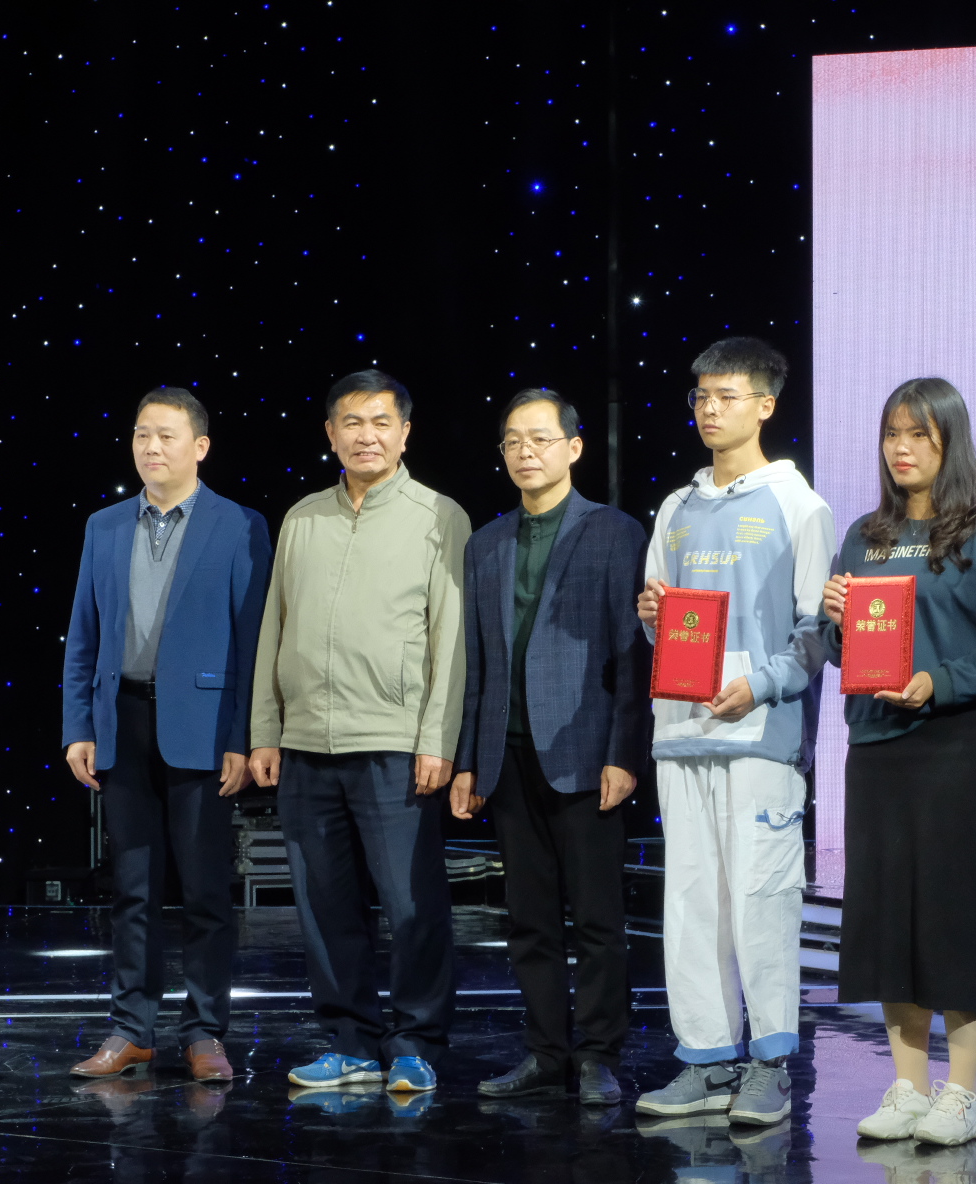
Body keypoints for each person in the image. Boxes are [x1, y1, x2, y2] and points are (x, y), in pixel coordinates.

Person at [247, 370, 471, 1096]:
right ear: (330, 434)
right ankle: (349, 1042)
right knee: (325, 905)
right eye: (351, 422)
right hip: (307, 744)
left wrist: (438, 739)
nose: (365, 436)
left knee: (411, 905)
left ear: (405, 433)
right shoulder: (302, 517)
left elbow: (451, 638)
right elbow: (275, 626)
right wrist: (266, 729)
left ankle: (415, 1043)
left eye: (380, 422)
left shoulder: (439, 515)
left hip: (395, 742)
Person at [821, 379, 976, 1147]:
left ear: (950, 443)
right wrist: (836, 620)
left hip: (954, 750)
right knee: (888, 923)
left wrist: (937, 682)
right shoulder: (864, 535)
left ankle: (961, 1093)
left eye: (919, 435)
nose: (901, 449)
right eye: (891, 434)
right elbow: (842, 650)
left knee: (951, 918)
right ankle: (908, 1087)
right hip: (876, 748)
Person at [633, 337, 835, 1127]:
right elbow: (665, 625)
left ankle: (770, 1065)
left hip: (760, 738)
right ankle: (706, 1060)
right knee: (690, 906)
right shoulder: (675, 509)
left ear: (766, 404)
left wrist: (759, 685)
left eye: (727, 395)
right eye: (701, 397)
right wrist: (652, 619)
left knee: (761, 903)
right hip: (682, 731)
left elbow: (816, 633)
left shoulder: (798, 506)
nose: (710, 409)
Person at [61, 387, 271, 1084]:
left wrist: (244, 737)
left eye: (166, 436)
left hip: (205, 729)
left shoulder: (239, 524)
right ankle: (132, 1030)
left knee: (207, 890)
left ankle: (204, 1031)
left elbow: (254, 643)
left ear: (200, 447)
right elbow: (83, 634)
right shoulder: (104, 526)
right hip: (121, 722)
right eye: (141, 434)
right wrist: (79, 725)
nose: (151, 447)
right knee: (132, 890)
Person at [450, 388, 650, 1106]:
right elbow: (476, 663)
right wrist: (468, 760)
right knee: (528, 920)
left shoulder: (615, 533)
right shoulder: (486, 543)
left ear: (574, 447)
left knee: (597, 919)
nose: (525, 452)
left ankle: (598, 1054)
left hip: (587, 754)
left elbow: (633, 655)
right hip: (507, 757)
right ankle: (545, 1053)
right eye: (513, 441)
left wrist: (625, 751)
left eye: (539, 439)